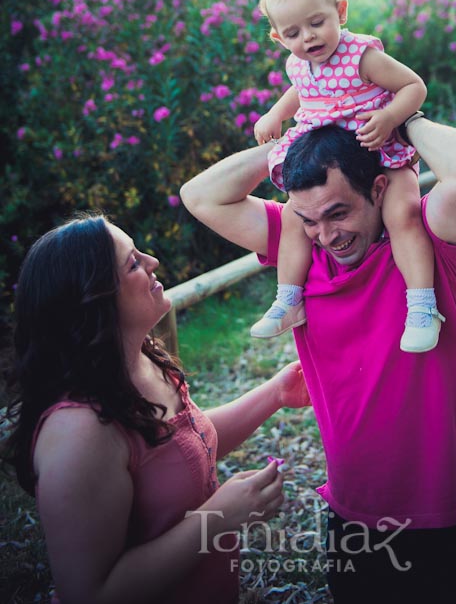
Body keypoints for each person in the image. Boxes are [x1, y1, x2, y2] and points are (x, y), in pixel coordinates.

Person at [180, 116, 456, 604]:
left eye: (338, 213)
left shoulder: (432, 244)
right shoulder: (300, 258)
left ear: (379, 189)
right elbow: (201, 195)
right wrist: (297, 138)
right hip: (355, 514)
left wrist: (400, 120)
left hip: (454, 506)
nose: (327, 235)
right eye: (308, 219)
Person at [2, 213, 310, 604]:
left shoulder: (138, 361)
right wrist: (217, 520)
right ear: (94, 298)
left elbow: (181, 448)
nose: (153, 262)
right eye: (133, 262)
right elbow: (89, 594)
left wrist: (276, 393)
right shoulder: (78, 433)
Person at [251, 0, 442, 354]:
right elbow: (301, 91)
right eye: (293, 32)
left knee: (402, 214)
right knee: (292, 214)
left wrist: (389, 116)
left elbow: (413, 86)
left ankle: (422, 306)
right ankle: (289, 299)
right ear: (278, 37)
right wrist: (275, 114)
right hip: (332, 160)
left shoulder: (361, 56)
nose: (308, 37)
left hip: (381, 149)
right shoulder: (298, 64)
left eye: (317, 22)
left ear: (341, 11)